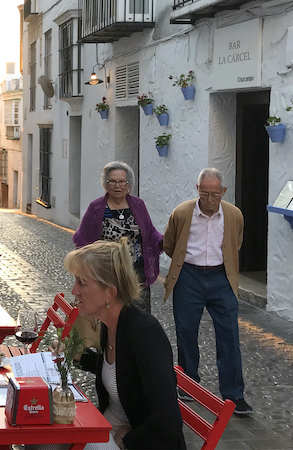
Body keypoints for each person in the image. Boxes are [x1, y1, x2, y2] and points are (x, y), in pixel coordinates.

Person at [67, 240, 185, 449]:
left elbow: (168, 421)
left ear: (109, 293)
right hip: (107, 429)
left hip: (134, 443)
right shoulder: (111, 324)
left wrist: (127, 441)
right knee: (43, 437)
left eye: (82, 282)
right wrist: (81, 357)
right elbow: (124, 373)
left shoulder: (144, 333)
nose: (74, 290)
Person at [164, 168, 252, 414]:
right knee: (186, 332)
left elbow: (236, 243)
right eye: (205, 193)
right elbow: (170, 244)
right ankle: (189, 385)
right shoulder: (182, 213)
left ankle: (234, 395)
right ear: (197, 190)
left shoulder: (234, 215)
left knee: (229, 336)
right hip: (189, 276)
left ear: (223, 192)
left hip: (222, 277)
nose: (210, 200)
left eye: (215, 194)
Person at [72, 161, 163, 314]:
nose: (117, 185)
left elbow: (149, 232)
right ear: (105, 184)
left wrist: (164, 241)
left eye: (122, 181)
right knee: (111, 313)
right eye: (112, 181)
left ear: (129, 185)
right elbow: (83, 239)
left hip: (136, 272)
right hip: (108, 273)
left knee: (139, 314)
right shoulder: (96, 208)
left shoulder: (138, 205)